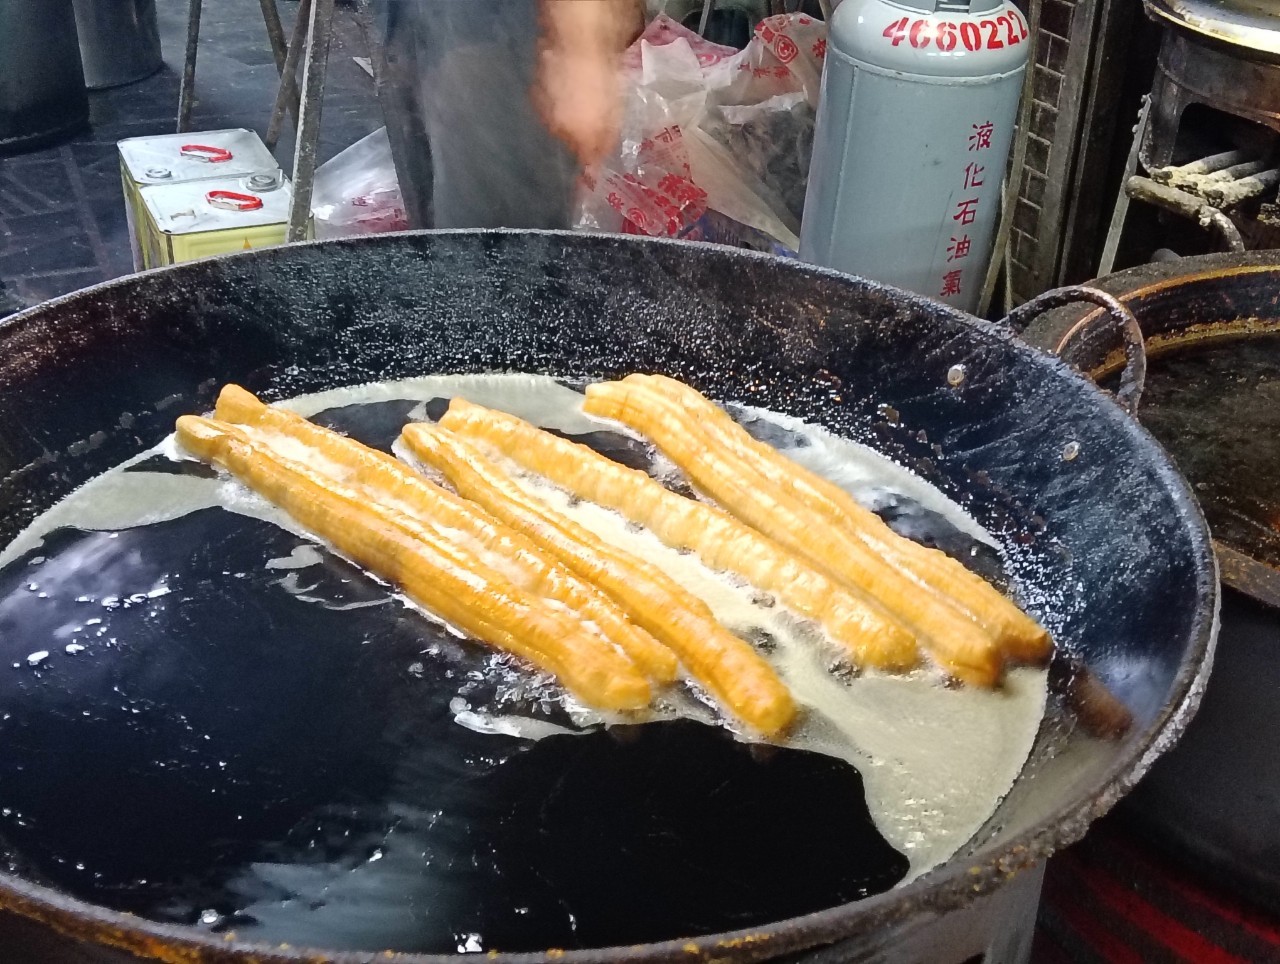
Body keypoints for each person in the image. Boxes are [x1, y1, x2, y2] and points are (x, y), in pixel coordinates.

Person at [365, 0, 641, 229]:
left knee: (474, 236)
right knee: (496, 241)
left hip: (481, 29)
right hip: (487, 33)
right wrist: (582, 39)